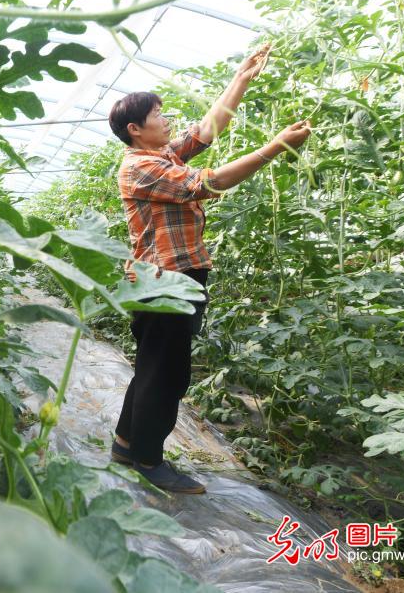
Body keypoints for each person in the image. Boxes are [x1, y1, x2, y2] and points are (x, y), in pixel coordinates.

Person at [106, 44, 312, 494]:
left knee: (153, 367)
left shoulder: (161, 157)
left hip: (169, 276)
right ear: (136, 129)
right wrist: (276, 147)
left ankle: (126, 444)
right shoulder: (141, 168)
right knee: (167, 373)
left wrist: (241, 78)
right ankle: (147, 460)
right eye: (160, 114)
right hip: (165, 280)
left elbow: (205, 132)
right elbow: (211, 182)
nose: (169, 119)